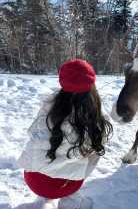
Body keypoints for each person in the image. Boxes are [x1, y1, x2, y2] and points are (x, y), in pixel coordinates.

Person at [18, 59, 113, 209]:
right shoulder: (95, 118)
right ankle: (70, 200)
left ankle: (48, 199)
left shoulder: (48, 104)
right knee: (93, 151)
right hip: (64, 185)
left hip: (32, 179)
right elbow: (96, 149)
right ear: (91, 85)